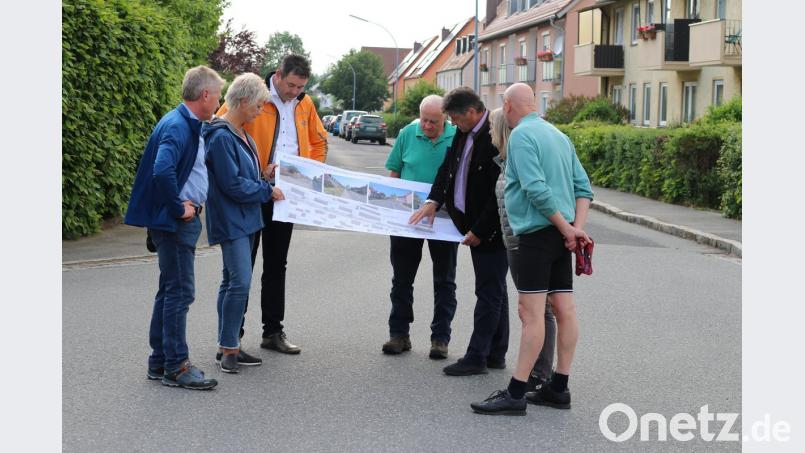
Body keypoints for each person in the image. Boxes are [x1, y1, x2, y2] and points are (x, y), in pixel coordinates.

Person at [470, 83, 593, 415]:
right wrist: (574, 227)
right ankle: (559, 387)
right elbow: (584, 187)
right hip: (559, 237)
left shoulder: (522, 136)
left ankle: (515, 392)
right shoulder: (558, 135)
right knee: (565, 311)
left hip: (536, 236)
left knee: (532, 313)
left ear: (508, 106)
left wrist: (566, 227)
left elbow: (534, 188)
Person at [217, 54, 327, 354]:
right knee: (243, 266)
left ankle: (273, 332)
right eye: (291, 85)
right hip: (254, 190)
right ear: (278, 74)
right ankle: (232, 337)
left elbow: (319, 141)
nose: (294, 92)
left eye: (301, 87)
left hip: (287, 194)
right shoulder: (254, 95)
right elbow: (223, 126)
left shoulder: (305, 103)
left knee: (277, 264)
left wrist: (308, 172)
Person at [124, 65, 224, 390]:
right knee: (180, 292)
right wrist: (178, 208)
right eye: (218, 96)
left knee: (169, 290)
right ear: (205, 95)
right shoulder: (179, 127)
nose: (220, 102)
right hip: (176, 223)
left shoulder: (185, 123)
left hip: (173, 222)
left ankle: (159, 360)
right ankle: (177, 366)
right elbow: (162, 170)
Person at [410, 87, 508, 376]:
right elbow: (447, 169)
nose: (451, 124)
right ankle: (496, 353)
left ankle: (477, 357)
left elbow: (498, 192)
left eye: (454, 118)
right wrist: (433, 200)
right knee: (495, 289)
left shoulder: (494, 134)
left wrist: (480, 229)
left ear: (472, 112)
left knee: (488, 292)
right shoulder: (465, 132)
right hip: (471, 224)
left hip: (490, 229)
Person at [204, 73, 285, 374]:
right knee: (240, 283)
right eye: (258, 105)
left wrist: (264, 175)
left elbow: (244, 178)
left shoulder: (243, 134)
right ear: (241, 101)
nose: (260, 111)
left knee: (231, 283)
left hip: (246, 219)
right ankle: (229, 349)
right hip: (232, 219)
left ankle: (227, 346)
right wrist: (267, 190)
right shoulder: (222, 135)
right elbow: (231, 185)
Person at [382, 95, 459, 359]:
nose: (426, 126)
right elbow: (394, 173)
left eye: (433, 122)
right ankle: (398, 334)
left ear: (446, 119)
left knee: (445, 281)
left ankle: (440, 338)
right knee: (402, 279)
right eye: (424, 120)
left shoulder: (457, 137)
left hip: (445, 222)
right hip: (408, 220)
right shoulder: (407, 133)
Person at [489, 108, 558, 393]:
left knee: (539, 311)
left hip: (524, 241)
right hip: (514, 240)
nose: (490, 136)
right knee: (533, 310)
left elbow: (537, 193)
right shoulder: (505, 161)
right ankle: (537, 370)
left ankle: (539, 373)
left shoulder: (517, 159)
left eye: (492, 130)